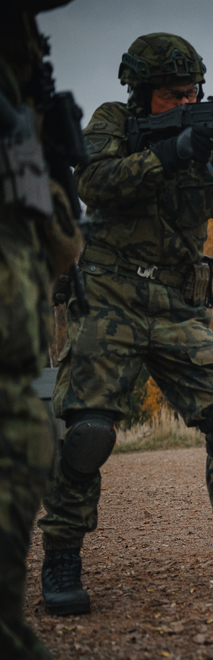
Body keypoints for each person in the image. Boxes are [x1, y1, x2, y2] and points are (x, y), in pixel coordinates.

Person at [38, 33, 213, 618]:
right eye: (173, 96)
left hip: (176, 298)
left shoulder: (206, 127)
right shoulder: (112, 121)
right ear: (142, 93)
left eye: (193, 94)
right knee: (89, 433)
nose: (187, 102)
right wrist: (176, 149)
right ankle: (60, 560)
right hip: (109, 291)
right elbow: (95, 182)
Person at [1, 1, 82, 654]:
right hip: (112, 309)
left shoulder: (20, 101)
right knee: (83, 436)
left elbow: (58, 248)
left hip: (19, 341)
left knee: (33, 439)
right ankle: (63, 563)